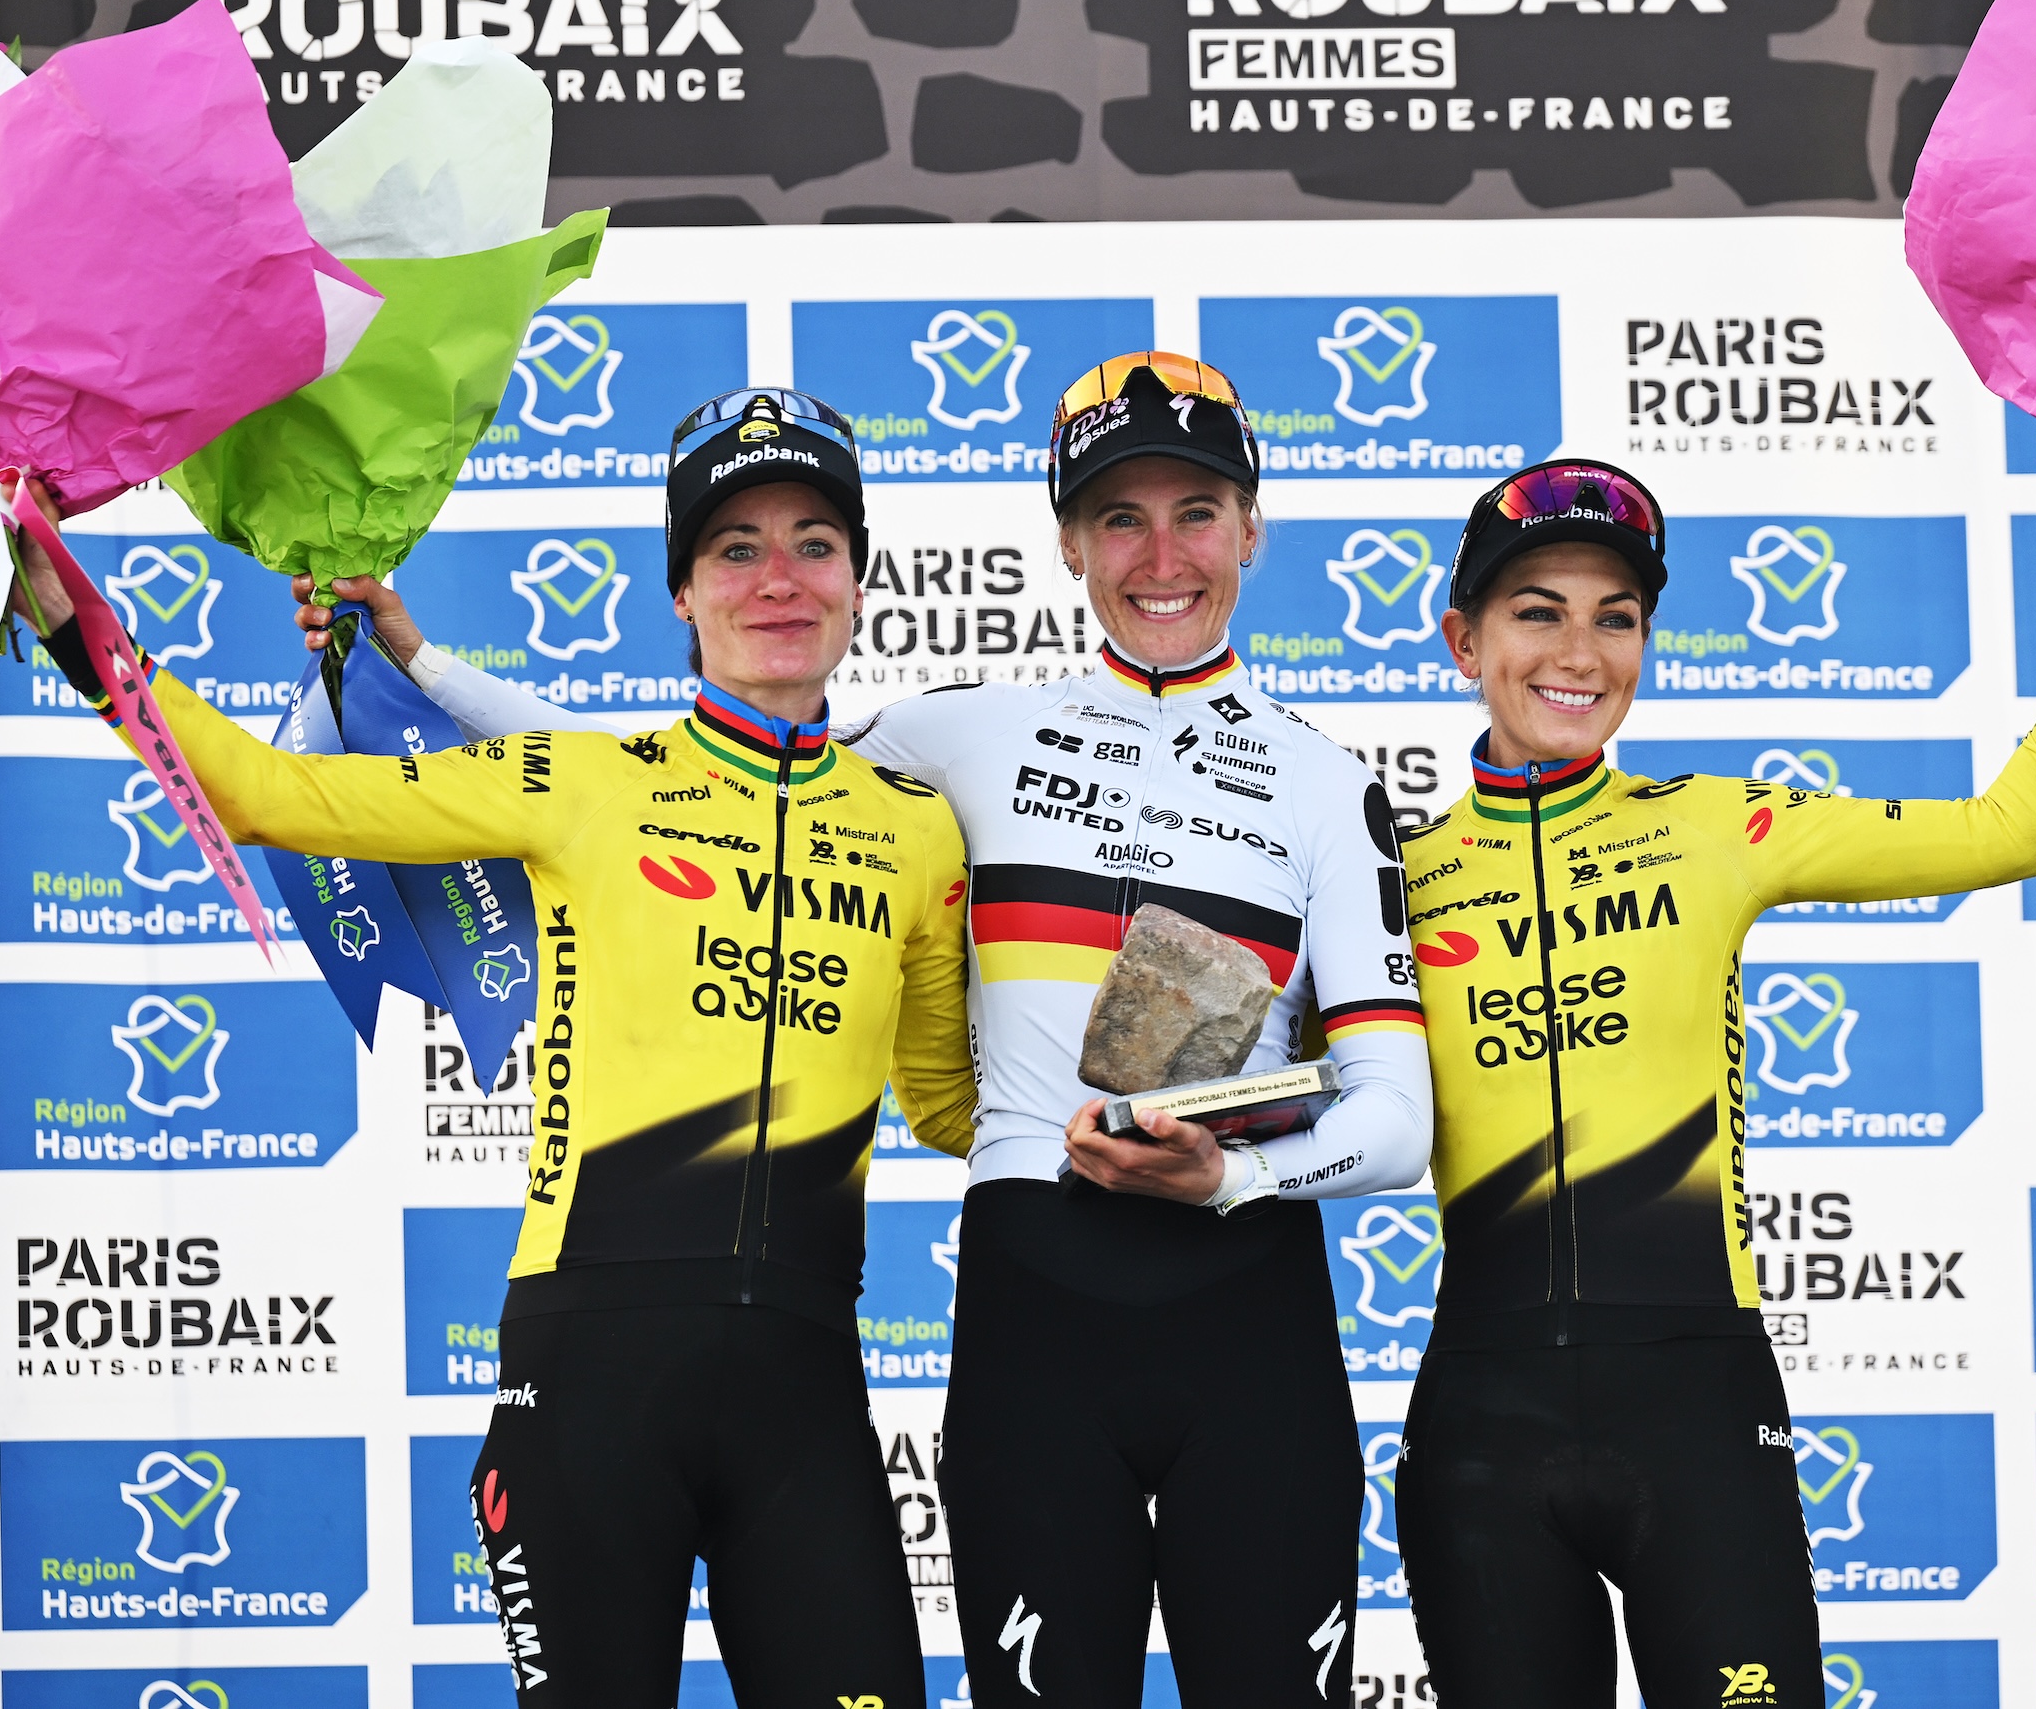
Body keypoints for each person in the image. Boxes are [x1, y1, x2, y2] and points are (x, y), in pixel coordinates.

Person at [316, 352, 1431, 1709]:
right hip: (1041, 1306)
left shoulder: (1331, 782)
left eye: (1196, 511)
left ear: (1251, 527)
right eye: (1120, 517)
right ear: (1071, 539)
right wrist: (429, 662)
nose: (1161, 554)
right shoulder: (960, 736)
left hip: (1250, 1313)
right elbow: (675, 788)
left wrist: (1236, 1171)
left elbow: (1394, 1115)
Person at [0, 390, 973, 1709]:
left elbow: (957, 1104)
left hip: (806, 1388)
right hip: (589, 1374)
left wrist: (1154, 1112)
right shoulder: (578, 779)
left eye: (813, 542)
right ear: (681, 592)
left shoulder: (919, 828)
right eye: (735, 547)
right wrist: (64, 612)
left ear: (856, 579)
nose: (778, 578)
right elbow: (271, 795)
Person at [1390, 444, 2036, 1709]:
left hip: (1696, 1409)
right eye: (1538, 611)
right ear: (1464, 639)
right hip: (1478, 1422)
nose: (1579, 652)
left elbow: (2011, 827)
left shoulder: (1713, 824)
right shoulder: (1393, 878)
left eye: (1616, 618)